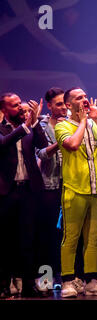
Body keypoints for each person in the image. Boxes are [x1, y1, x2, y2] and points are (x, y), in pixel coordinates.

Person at [55, 88, 97, 298]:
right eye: (78, 98)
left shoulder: (93, 124)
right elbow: (72, 144)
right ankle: (68, 281)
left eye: (85, 96)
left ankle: (91, 281)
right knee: (71, 238)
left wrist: (96, 120)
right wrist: (82, 122)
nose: (84, 100)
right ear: (69, 105)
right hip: (74, 190)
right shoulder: (62, 125)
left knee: (93, 238)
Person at [0, 93, 48, 298]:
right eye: (14, 105)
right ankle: (4, 284)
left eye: (20, 103)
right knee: (5, 240)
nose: (20, 107)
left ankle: (29, 284)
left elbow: (42, 143)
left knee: (29, 239)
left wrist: (35, 121)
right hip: (7, 192)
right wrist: (26, 125)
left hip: (29, 190)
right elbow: (3, 144)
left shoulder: (28, 126)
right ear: (4, 110)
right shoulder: (4, 128)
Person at [35, 87, 68, 291]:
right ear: (49, 106)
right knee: (47, 235)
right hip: (49, 185)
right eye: (58, 104)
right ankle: (46, 280)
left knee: (69, 236)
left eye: (65, 103)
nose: (63, 107)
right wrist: (60, 142)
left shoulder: (74, 124)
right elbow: (40, 153)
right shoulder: (42, 126)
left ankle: (68, 279)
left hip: (71, 184)